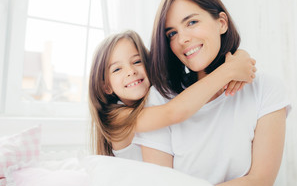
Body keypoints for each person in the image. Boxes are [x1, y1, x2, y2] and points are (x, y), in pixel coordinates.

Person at [133, 0, 291, 186]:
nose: (182, 39)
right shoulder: (161, 99)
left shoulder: (266, 89)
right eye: (172, 33)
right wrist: (228, 71)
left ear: (222, 23)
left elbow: (259, 185)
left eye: (192, 22)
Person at [89, 30, 256, 160]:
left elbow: (190, 83)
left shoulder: (158, 95)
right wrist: (229, 71)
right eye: (117, 69)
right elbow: (173, 112)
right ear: (106, 87)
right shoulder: (115, 118)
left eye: (137, 61)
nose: (131, 71)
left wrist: (240, 55)